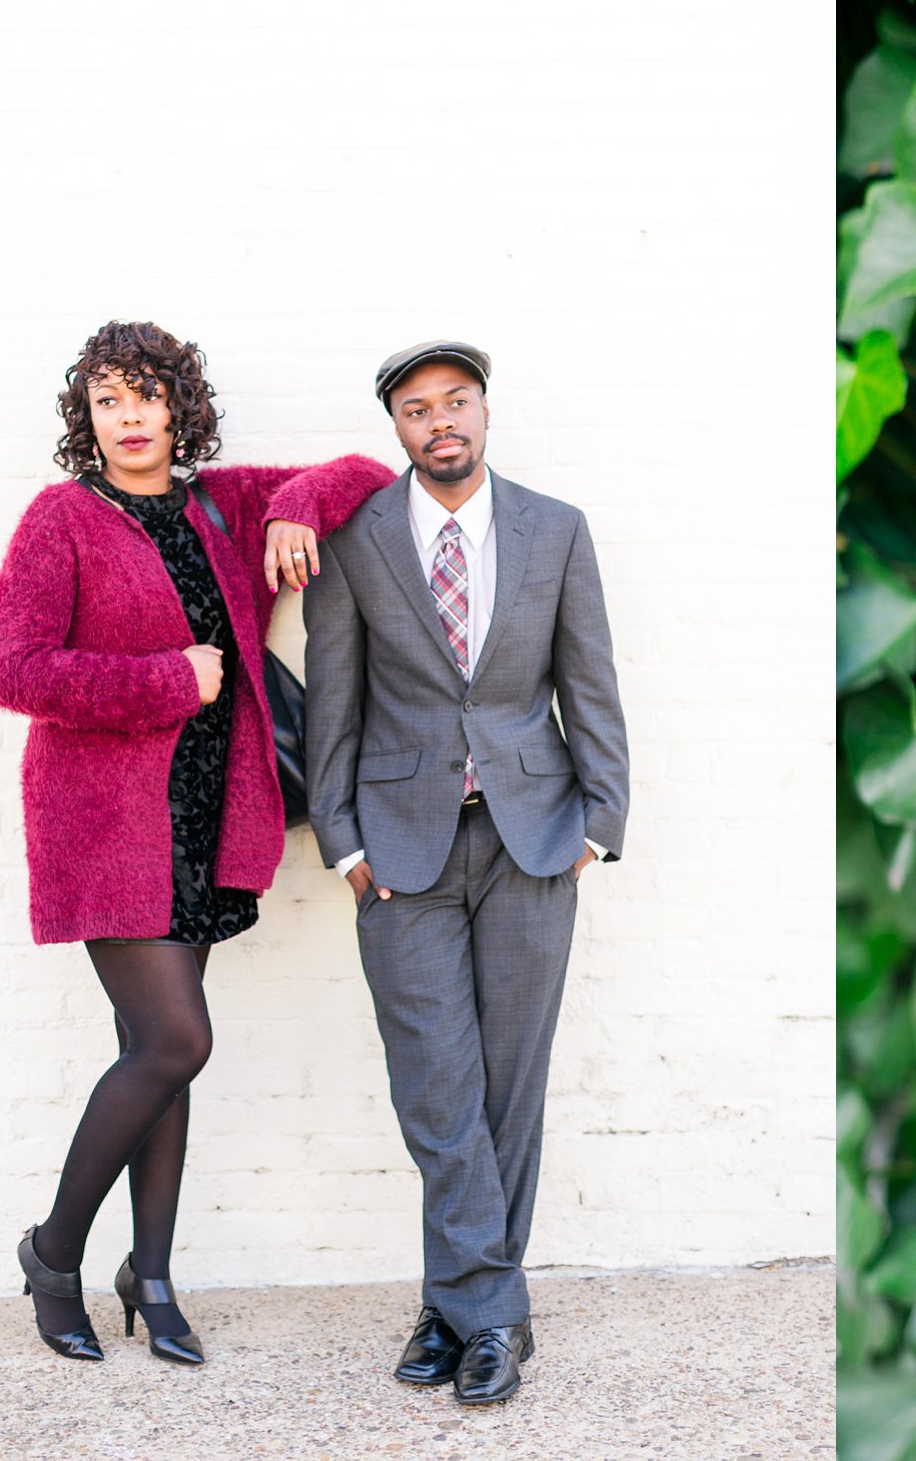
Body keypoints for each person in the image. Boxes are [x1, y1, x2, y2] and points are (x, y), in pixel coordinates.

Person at [0, 321, 393, 1364]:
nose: (128, 419)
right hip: (106, 828)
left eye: (146, 398)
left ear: (179, 409)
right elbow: (14, 669)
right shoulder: (60, 519)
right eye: (108, 401)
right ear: (87, 415)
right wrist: (170, 679)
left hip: (211, 817)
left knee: (157, 1056)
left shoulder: (222, 503)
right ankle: (54, 1253)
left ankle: (151, 1276)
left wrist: (295, 509)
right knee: (177, 1042)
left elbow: (362, 472)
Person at [302, 338, 629, 1405]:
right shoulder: (357, 541)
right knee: (436, 1089)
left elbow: (591, 685)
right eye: (414, 408)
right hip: (399, 851)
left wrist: (599, 823)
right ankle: (493, 1314)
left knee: (508, 1089)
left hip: (534, 838)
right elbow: (332, 702)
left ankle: (458, 1312)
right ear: (394, 427)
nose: (438, 420)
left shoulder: (555, 531)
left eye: (455, 401)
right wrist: (341, 842)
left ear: (483, 412)